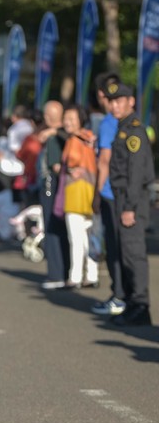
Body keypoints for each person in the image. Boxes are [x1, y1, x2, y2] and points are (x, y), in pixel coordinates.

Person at [103, 81, 154, 326]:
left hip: (131, 198)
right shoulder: (122, 128)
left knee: (134, 254)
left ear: (130, 102)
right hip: (122, 196)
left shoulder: (134, 131)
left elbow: (136, 173)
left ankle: (141, 305)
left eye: (119, 101)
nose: (114, 106)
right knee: (126, 253)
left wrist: (130, 207)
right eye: (111, 101)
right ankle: (133, 302)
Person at [90, 72, 126, 317]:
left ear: (100, 95)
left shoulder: (108, 122)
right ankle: (123, 295)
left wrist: (96, 192)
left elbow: (104, 159)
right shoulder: (125, 121)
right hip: (123, 192)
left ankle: (119, 295)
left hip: (109, 192)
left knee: (114, 247)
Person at [59, 104, 99, 289]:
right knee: (89, 235)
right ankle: (92, 273)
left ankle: (75, 276)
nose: (67, 122)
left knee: (75, 236)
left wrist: (70, 169)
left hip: (76, 190)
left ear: (80, 121)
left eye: (71, 119)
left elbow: (73, 162)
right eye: (66, 118)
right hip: (92, 189)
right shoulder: (91, 138)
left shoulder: (75, 139)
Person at [35, 100, 71, 289]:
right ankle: (63, 272)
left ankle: (56, 273)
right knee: (60, 228)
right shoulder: (62, 135)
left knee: (51, 225)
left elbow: (55, 166)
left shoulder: (52, 138)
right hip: (60, 185)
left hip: (51, 184)